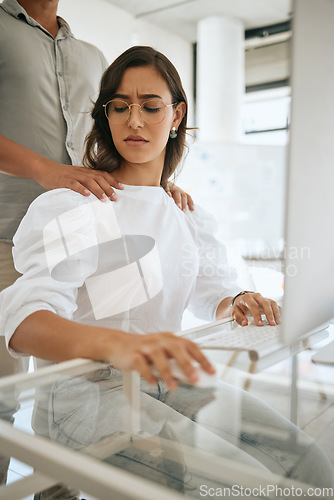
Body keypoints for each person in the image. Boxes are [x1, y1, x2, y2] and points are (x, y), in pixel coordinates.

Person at [0, 46, 333, 497]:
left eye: (151, 107)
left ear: (176, 116)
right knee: (231, 484)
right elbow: (23, 323)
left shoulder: (183, 211)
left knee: (308, 465)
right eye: (120, 107)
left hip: (167, 381)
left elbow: (208, 289)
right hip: (88, 391)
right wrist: (124, 347)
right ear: (107, 117)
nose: (134, 121)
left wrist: (235, 300)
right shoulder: (72, 205)